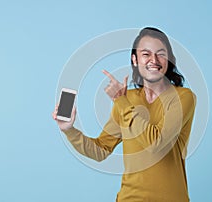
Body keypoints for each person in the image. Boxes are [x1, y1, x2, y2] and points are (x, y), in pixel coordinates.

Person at [52, 27, 196, 202]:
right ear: (135, 60)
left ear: (169, 60)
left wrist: (121, 102)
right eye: (146, 54)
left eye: (161, 54)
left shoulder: (183, 97)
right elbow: (100, 150)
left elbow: (156, 143)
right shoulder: (127, 99)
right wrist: (69, 130)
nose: (154, 60)